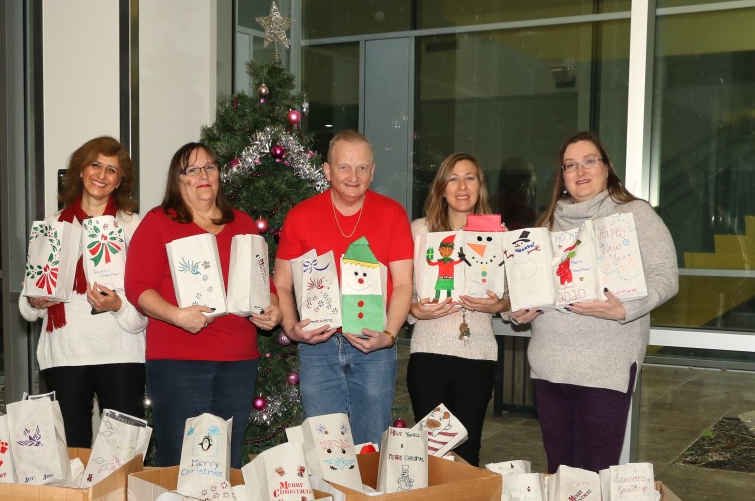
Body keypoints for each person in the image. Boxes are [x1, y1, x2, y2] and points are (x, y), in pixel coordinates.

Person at [511, 131, 678, 473]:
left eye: (589, 161)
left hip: (605, 366)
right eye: (570, 165)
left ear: (606, 167)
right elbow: (525, 285)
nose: (580, 171)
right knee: (559, 470)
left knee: (597, 472)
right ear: (562, 175)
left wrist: (624, 310)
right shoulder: (545, 223)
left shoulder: (634, 215)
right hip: (548, 365)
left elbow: (666, 276)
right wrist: (519, 310)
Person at [125, 142, 282, 467]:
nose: (203, 175)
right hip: (178, 360)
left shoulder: (241, 222)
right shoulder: (158, 223)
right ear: (177, 179)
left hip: (238, 360)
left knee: (227, 459)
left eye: (210, 166)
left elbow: (264, 284)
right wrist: (176, 316)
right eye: (192, 169)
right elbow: (137, 288)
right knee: (179, 461)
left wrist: (273, 309)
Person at [273, 130, 413, 446]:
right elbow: (281, 283)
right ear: (327, 170)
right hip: (318, 349)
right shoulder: (301, 216)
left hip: (373, 346)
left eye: (362, 167)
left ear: (373, 171)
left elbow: (404, 283)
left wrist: (389, 335)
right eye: (344, 167)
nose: (353, 176)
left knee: (370, 448)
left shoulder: (392, 214)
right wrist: (292, 328)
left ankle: (368, 498)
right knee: (325, 451)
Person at [19, 136, 146, 448]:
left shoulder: (132, 227)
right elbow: (27, 306)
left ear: (120, 181)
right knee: (71, 448)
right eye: (95, 165)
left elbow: (145, 307)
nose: (101, 175)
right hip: (65, 351)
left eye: (112, 170)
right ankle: (76, 499)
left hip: (121, 350)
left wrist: (118, 305)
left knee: (122, 449)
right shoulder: (52, 226)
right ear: (79, 171)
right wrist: (36, 301)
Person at [407, 153, 508, 466]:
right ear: (441, 187)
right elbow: (403, 293)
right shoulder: (420, 231)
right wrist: (415, 311)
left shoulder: (498, 233)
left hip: (477, 356)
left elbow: (511, 297)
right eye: (453, 178)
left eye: (470, 178)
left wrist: (499, 304)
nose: (462, 186)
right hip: (428, 353)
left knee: (467, 451)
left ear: (480, 186)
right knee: (432, 453)